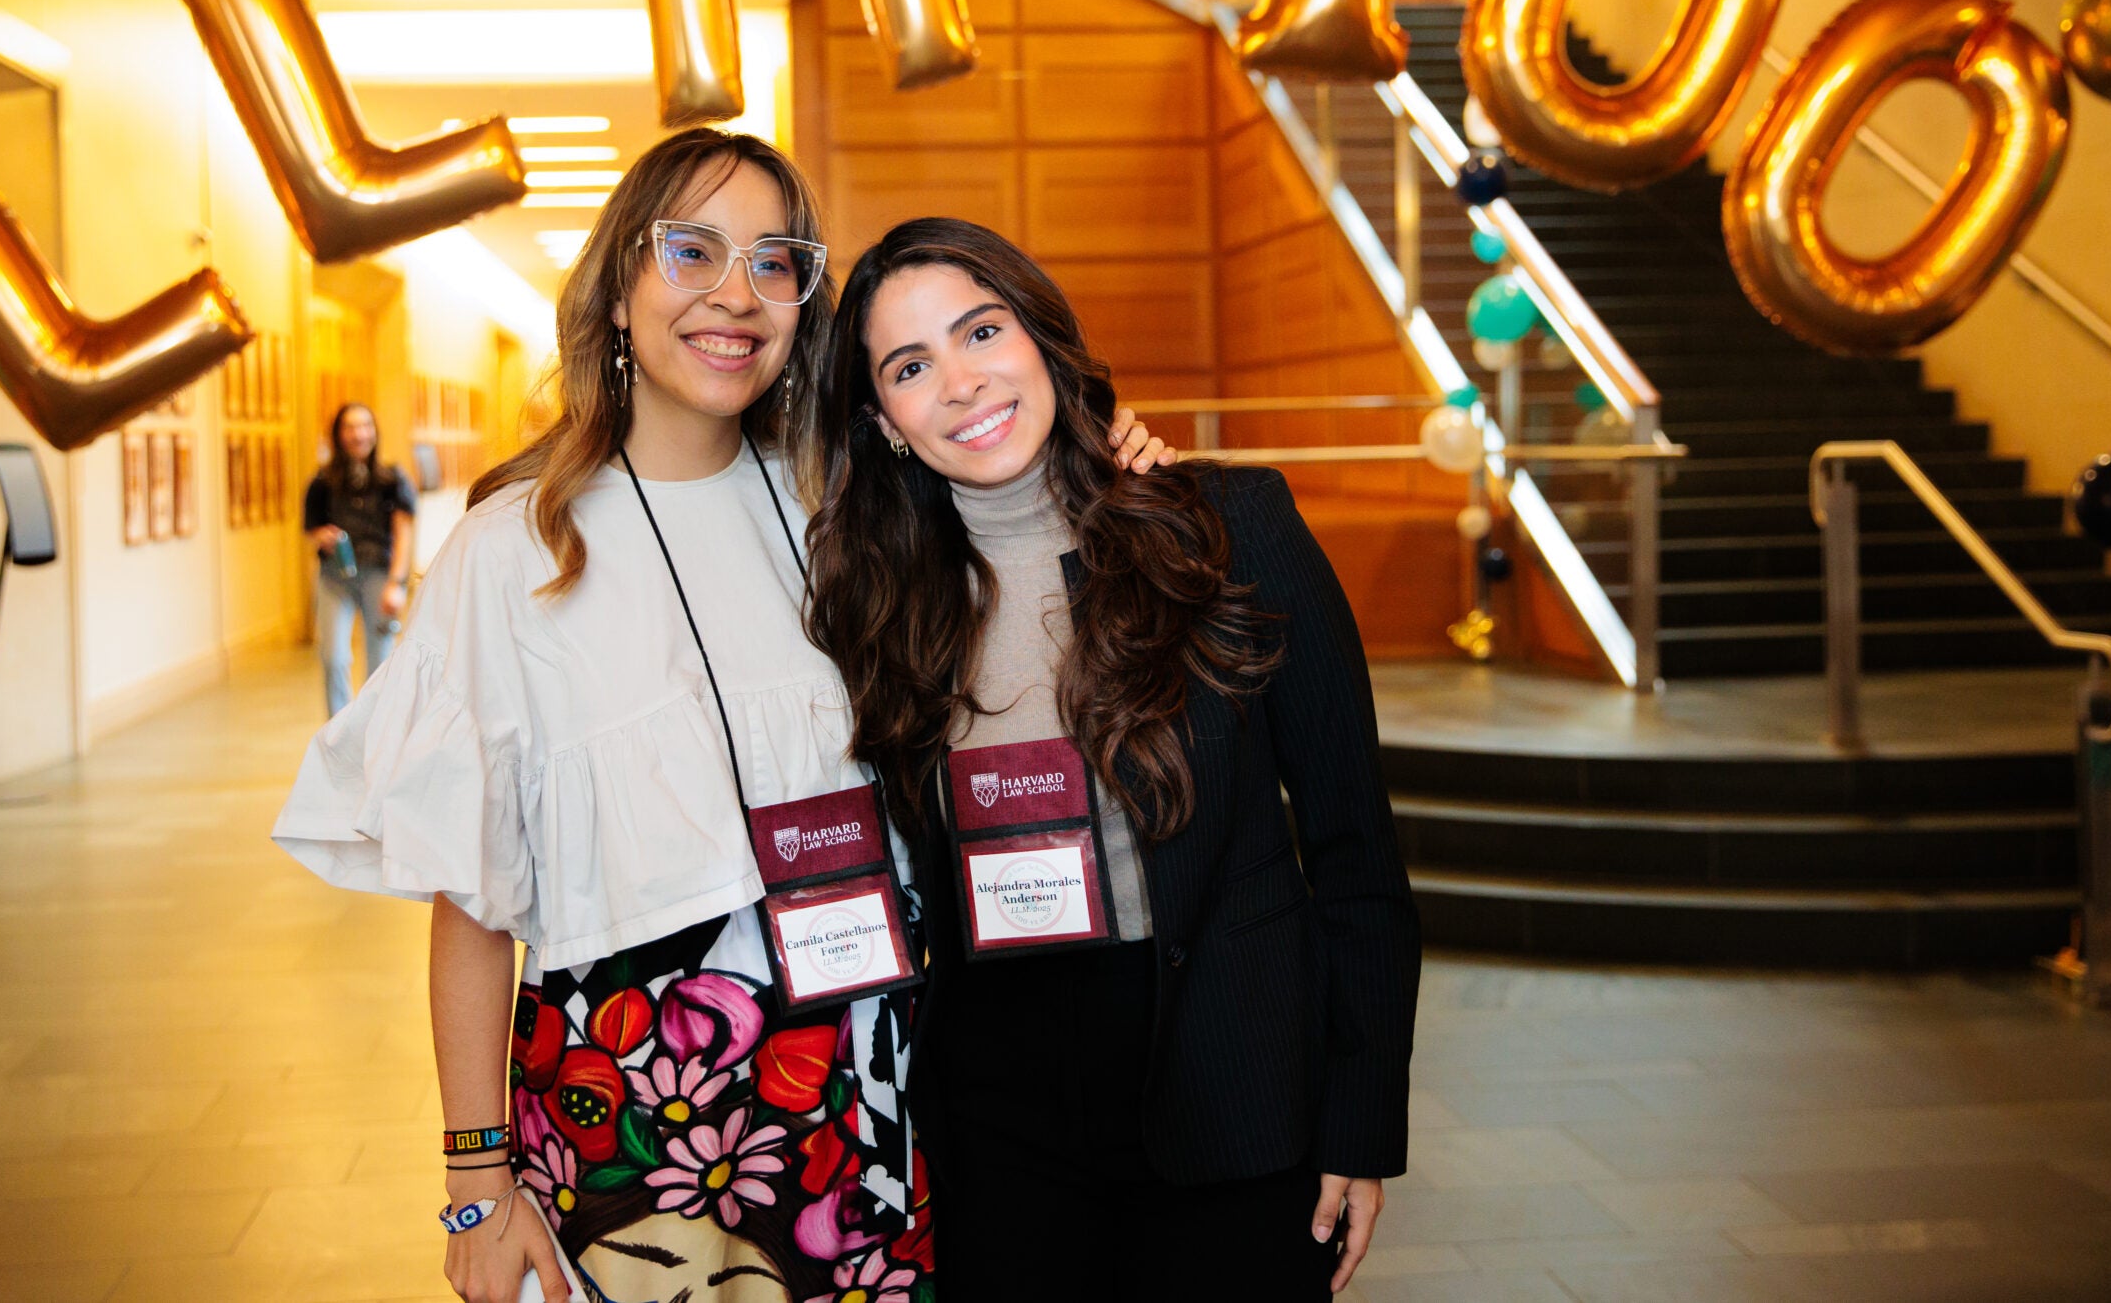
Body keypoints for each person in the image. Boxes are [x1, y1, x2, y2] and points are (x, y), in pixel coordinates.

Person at [273, 132, 1173, 1303]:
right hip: (638, 1107)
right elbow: (472, 900)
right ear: (617, 287)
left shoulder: (842, 508)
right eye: (690, 251)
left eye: (775, 262)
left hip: (870, 1084)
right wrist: (475, 1187)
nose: (734, 297)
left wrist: (1120, 455)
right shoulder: (512, 552)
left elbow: (1008, 487)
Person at [805, 218, 1420, 1303]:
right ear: (885, 422)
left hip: (1229, 1078)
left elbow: (1355, 851)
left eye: (980, 330)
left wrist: (1359, 1119)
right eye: (910, 367)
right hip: (1000, 1111)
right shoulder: (882, 604)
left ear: (1040, 337)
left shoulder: (1227, 530)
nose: (959, 382)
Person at [304, 402, 418, 716]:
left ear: (374, 432)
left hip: (379, 575)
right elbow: (310, 527)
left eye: (365, 426)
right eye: (350, 427)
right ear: (339, 434)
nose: (358, 434)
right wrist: (321, 536)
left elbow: (403, 534)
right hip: (334, 576)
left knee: (380, 660)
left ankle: (374, 728)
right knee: (333, 656)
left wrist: (397, 583)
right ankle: (338, 729)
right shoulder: (323, 481)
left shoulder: (392, 480)